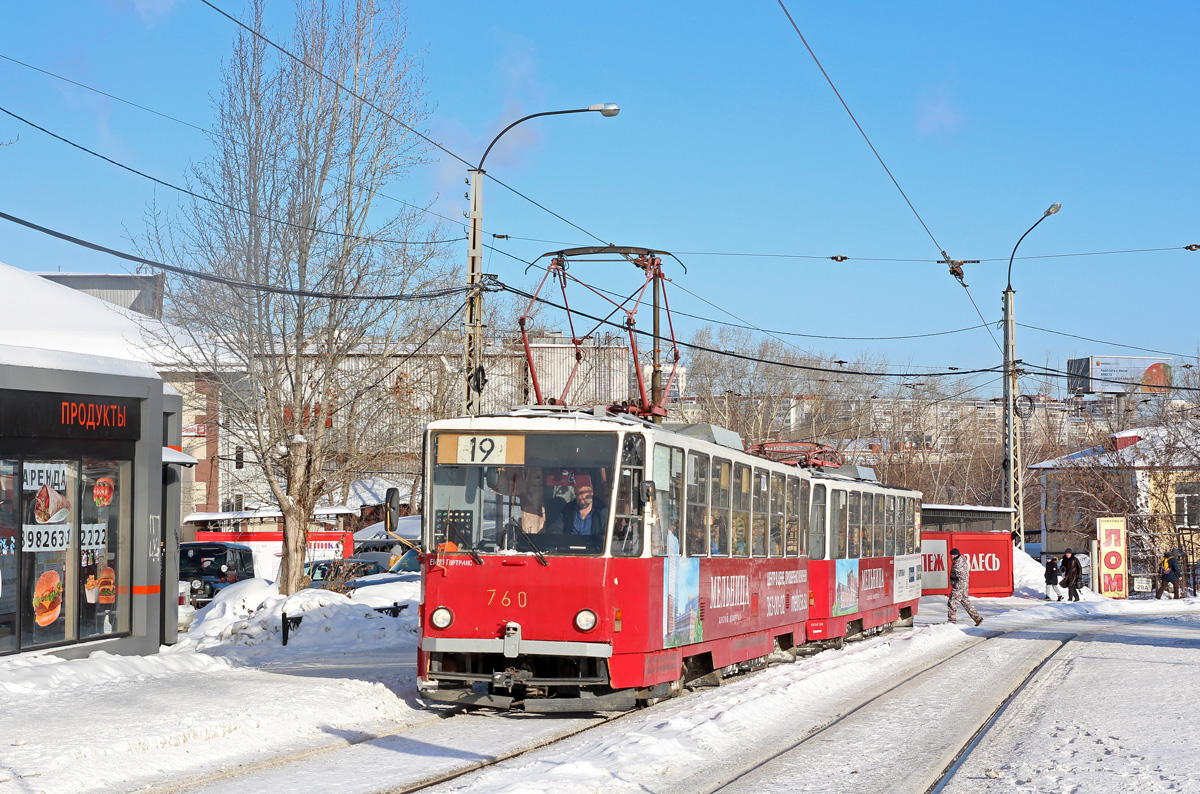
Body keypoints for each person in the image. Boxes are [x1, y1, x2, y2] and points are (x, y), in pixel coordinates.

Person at [947, 548, 983, 626]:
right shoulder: (960, 561)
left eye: (951, 555)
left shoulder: (958, 563)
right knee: (966, 602)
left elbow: (960, 576)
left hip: (959, 586)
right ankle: (977, 618)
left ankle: (951, 622)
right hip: (963, 586)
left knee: (952, 603)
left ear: (954, 555)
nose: (951, 557)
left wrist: (956, 585)